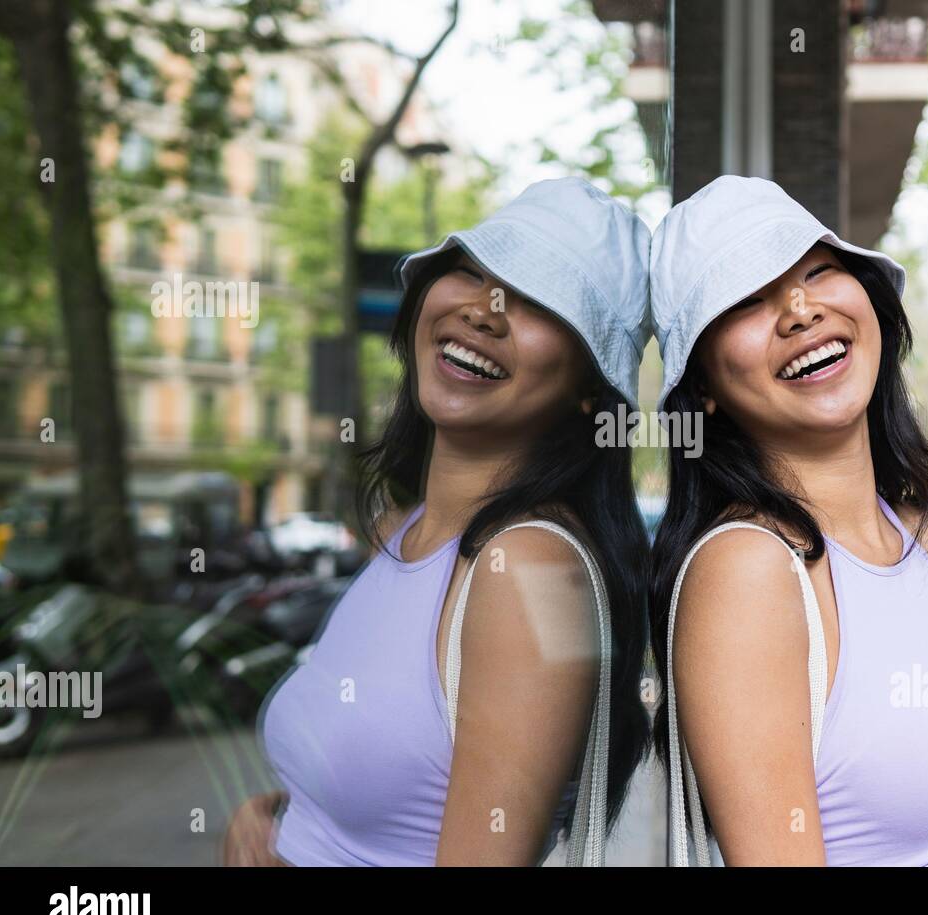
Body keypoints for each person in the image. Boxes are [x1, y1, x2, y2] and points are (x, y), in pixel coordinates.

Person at [648, 175, 928, 866]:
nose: (799, 310)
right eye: (748, 300)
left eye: (819, 270)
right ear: (701, 387)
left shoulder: (925, 537)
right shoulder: (750, 570)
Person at [222, 178, 653, 866]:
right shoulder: (408, 529)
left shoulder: (530, 567)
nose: (485, 312)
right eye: (471, 272)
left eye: (539, 301)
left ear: (588, 391)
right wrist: (274, 815)